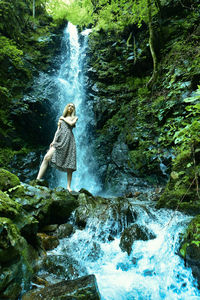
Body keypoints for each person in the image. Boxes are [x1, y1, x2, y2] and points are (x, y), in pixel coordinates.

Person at [37, 103, 78, 192]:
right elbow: (57, 131)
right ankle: (37, 180)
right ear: (66, 107)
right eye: (69, 106)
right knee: (46, 157)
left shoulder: (75, 118)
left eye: (72, 107)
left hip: (69, 140)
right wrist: (53, 141)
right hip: (59, 140)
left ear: (73, 109)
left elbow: (71, 124)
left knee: (69, 164)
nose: (70, 107)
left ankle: (68, 187)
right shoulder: (61, 118)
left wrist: (63, 118)